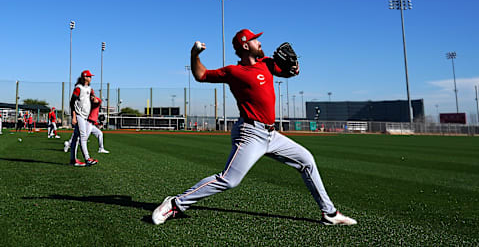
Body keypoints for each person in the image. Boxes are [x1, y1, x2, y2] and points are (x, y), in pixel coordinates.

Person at [152, 29, 357, 226]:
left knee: (307, 160)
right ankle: (175, 203)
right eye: (255, 40)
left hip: (272, 134)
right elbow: (201, 75)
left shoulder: (267, 64)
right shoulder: (234, 71)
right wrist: (194, 54)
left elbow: (288, 73)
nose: (259, 42)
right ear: (245, 45)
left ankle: (329, 213)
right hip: (250, 133)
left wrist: (294, 69)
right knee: (229, 180)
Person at [68, 70, 98, 167]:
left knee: (75, 138)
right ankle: (87, 158)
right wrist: (73, 116)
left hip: (84, 115)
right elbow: (72, 102)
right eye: (89, 76)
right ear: (84, 77)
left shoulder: (89, 88)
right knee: (83, 136)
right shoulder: (78, 88)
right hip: (78, 114)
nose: (90, 78)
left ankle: (73, 159)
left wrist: (94, 99)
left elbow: (93, 98)